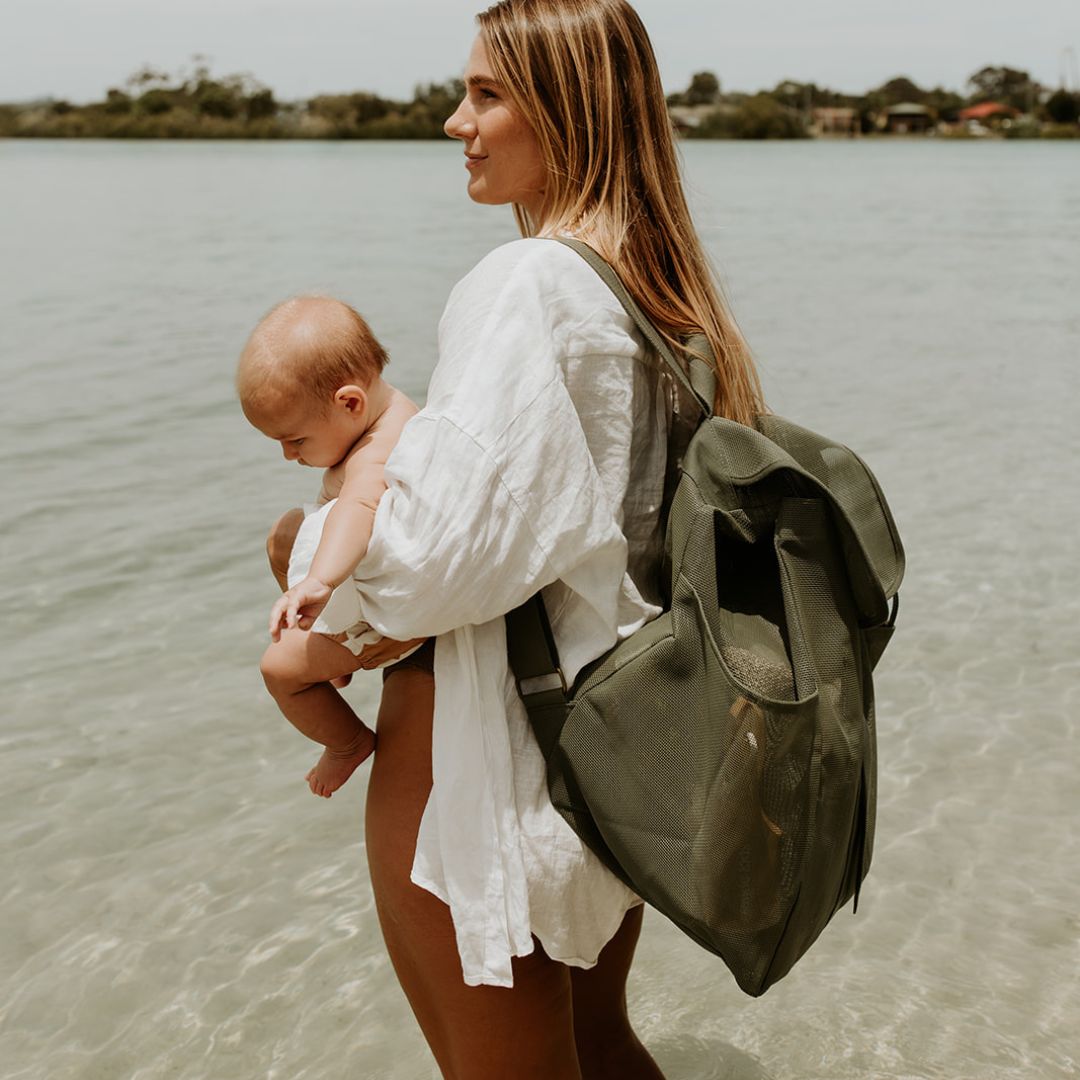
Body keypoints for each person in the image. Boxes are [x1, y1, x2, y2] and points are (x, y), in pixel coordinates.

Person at [315, 1, 766, 1075]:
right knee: (604, 1048)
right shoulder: (669, 304)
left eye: (485, 93)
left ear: (569, 108)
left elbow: (428, 568)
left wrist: (311, 546)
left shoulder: (530, 285)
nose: (453, 120)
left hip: (482, 763)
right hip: (607, 765)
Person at [236, 295, 423, 798]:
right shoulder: (369, 423)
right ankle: (321, 641)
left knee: (277, 671)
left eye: (295, 440)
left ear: (349, 403)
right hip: (346, 579)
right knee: (283, 533)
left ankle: (347, 743)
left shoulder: (381, 447)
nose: (286, 455)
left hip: (376, 613)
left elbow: (358, 509)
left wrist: (320, 580)